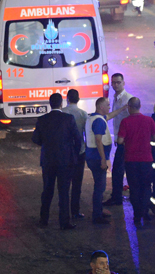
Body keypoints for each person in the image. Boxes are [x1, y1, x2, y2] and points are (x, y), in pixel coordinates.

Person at [32, 93, 81, 230]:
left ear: (50, 103)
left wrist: (46, 144)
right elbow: (78, 139)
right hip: (65, 161)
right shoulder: (69, 119)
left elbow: (35, 139)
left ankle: (44, 219)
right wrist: (73, 154)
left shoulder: (42, 119)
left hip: (48, 160)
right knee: (64, 192)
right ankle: (64, 222)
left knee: (47, 190)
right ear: (61, 104)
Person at [117, 97, 155, 224]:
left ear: (129, 107)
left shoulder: (125, 121)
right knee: (146, 187)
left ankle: (136, 215)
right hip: (146, 159)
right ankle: (145, 212)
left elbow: (119, 140)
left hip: (131, 160)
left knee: (134, 188)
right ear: (139, 106)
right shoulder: (149, 120)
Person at [85, 98, 124, 224]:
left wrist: (122, 109)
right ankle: (97, 215)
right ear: (101, 107)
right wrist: (103, 159)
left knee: (99, 186)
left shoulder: (94, 118)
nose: (109, 107)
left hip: (92, 157)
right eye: (107, 105)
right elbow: (98, 140)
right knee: (100, 187)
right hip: (97, 158)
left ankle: (99, 211)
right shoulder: (99, 122)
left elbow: (110, 115)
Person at [104, 73, 133, 206]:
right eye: (114, 82)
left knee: (119, 170)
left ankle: (117, 197)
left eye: (118, 82)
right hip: (120, 140)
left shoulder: (128, 100)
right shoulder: (115, 97)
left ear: (124, 83)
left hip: (127, 141)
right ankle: (120, 196)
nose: (115, 85)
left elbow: (133, 120)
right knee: (121, 170)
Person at [61, 89, 88, 220]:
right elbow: (86, 134)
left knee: (65, 183)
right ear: (78, 99)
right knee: (77, 184)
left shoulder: (62, 113)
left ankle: (64, 211)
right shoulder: (83, 114)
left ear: (68, 99)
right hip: (79, 151)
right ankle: (75, 211)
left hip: (64, 152)